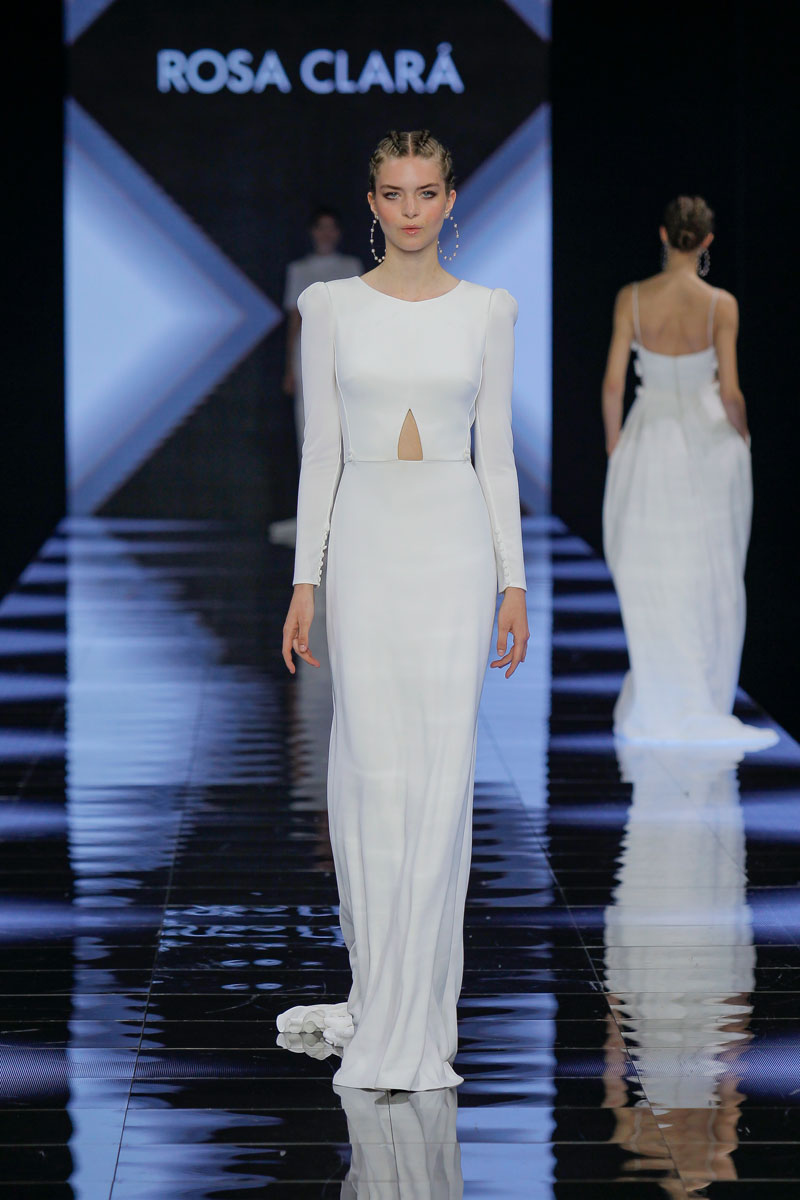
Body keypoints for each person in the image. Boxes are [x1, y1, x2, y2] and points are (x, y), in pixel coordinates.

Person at [278, 129, 529, 1091]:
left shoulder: (489, 310)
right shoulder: (330, 307)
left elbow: (496, 454)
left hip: (456, 547)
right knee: (373, 771)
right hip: (367, 544)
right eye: (395, 192)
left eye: (427, 191)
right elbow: (321, 452)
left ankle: (419, 1007)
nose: (411, 208)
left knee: (443, 772)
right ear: (373, 201)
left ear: (451, 199)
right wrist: (305, 579)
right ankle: (384, 991)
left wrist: (513, 580)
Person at [601, 196, 777, 747]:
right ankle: (699, 692)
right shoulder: (720, 304)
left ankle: (663, 691)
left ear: (663, 235)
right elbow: (730, 392)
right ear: (706, 241)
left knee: (654, 566)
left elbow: (613, 384)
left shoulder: (632, 298)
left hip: (649, 436)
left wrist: (615, 446)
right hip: (707, 444)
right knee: (707, 570)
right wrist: (742, 435)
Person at [283, 207, 363, 453]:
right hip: (308, 351)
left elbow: (360, 316)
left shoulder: (351, 266)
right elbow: (295, 319)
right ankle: (311, 475)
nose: (326, 233)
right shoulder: (299, 269)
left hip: (345, 350)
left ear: (338, 232)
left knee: (345, 419)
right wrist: (289, 367)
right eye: (321, 228)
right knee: (308, 419)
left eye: (331, 228)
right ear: (313, 232)